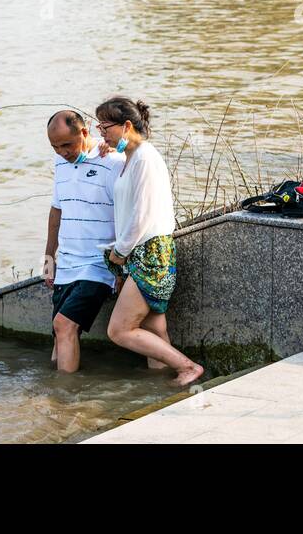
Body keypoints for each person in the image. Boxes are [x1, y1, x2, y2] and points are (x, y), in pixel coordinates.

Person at [94, 96, 203, 388]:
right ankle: (161, 387)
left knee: (119, 330)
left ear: (126, 125)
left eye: (104, 127)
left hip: (151, 253)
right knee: (153, 330)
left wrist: (119, 252)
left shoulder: (145, 157)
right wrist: (104, 151)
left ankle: (188, 366)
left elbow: (142, 214)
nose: (100, 132)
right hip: (142, 252)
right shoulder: (128, 158)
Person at [45, 109, 122, 374]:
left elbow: (127, 212)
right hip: (67, 261)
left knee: (64, 325)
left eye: (66, 144)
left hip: (99, 263)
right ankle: (62, 391)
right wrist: (49, 257)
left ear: (85, 132)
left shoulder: (112, 161)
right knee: (59, 334)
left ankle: (64, 400)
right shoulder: (59, 163)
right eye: (55, 147)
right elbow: (57, 210)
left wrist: (122, 265)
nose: (62, 152)